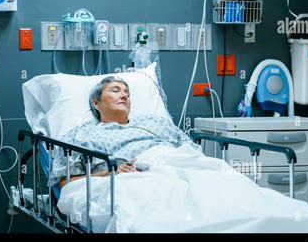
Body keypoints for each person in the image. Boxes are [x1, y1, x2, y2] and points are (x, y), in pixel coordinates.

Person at [51, 76, 200, 188]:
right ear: (96, 103)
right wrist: (109, 173)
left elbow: (194, 154)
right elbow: (65, 182)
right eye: (115, 91)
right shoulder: (82, 135)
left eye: (127, 93)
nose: (124, 96)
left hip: (178, 169)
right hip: (135, 181)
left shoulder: (156, 122)